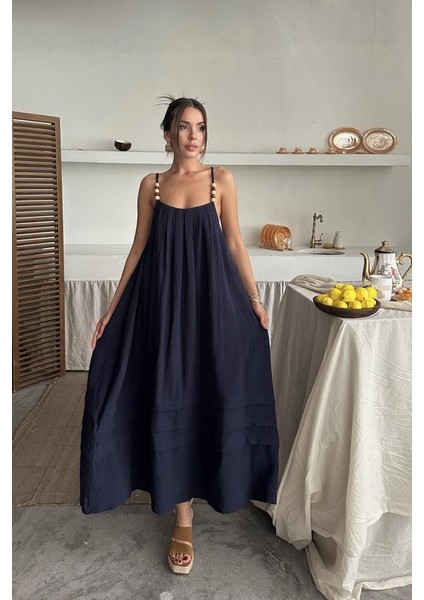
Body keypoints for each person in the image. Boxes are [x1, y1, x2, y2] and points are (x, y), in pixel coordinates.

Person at [79, 95, 279, 575]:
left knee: (212, 390)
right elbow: (137, 249)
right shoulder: (151, 185)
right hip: (161, 307)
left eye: (201, 127)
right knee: (165, 393)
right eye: (184, 127)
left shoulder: (220, 180)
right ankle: (182, 515)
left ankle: (220, 484)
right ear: (168, 134)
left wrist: (254, 300)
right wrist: (111, 310)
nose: (194, 136)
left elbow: (234, 242)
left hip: (212, 302)